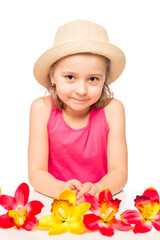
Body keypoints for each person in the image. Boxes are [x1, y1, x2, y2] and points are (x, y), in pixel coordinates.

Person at [28, 20, 128, 204]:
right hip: (53, 202)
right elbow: (36, 172)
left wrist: (98, 189)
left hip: (100, 204)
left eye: (92, 78)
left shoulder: (113, 110)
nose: (81, 90)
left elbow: (119, 172)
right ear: (53, 76)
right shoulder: (41, 109)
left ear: (104, 79)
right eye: (70, 77)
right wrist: (59, 188)